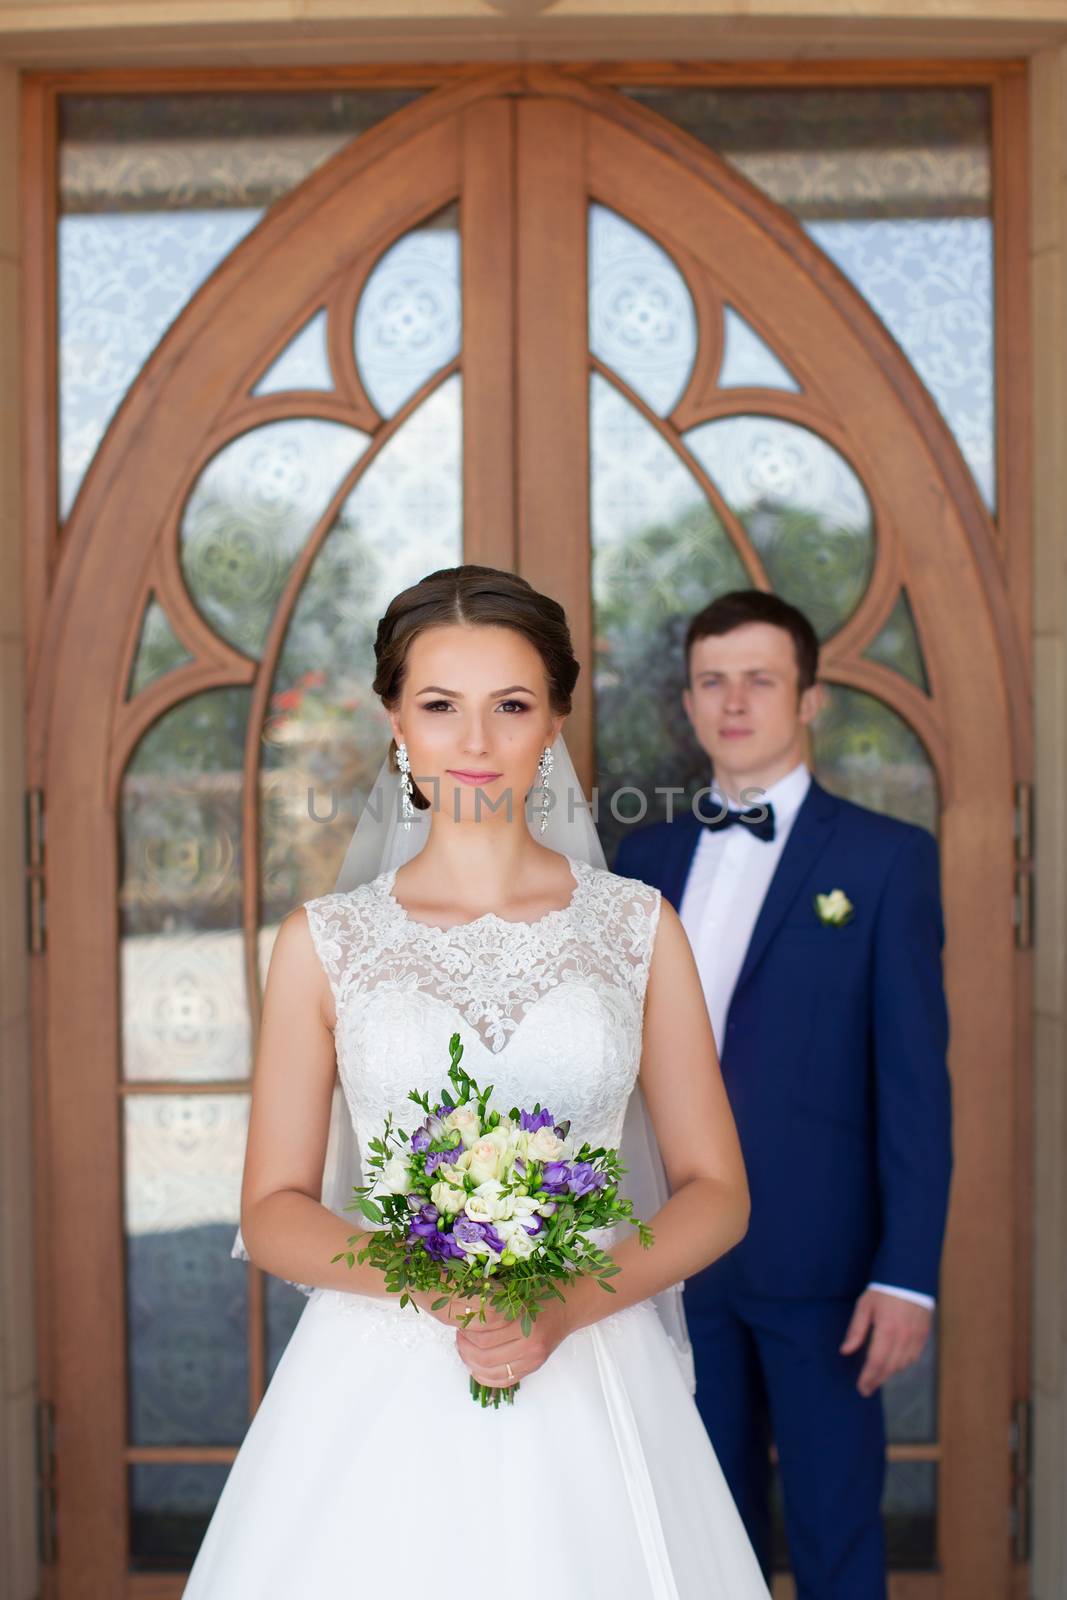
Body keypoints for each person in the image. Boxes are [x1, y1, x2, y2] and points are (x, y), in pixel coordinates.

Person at [182, 566, 770, 1598]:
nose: (475, 742)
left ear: (552, 722)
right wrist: (443, 1285)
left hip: (592, 1354)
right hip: (381, 1365)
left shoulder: (636, 927)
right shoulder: (323, 943)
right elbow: (271, 1211)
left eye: (510, 706)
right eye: (439, 705)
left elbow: (717, 1191)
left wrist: (560, 1307)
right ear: (393, 720)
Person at [615, 590, 952, 1600]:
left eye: (757, 679)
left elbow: (913, 1083)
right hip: (671, 1260)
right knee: (696, 1533)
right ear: (686, 701)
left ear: (806, 699)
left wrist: (906, 1273)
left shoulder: (883, 860)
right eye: (711, 681)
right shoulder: (645, 860)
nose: (733, 701)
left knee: (832, 1531)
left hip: (824, 1271)